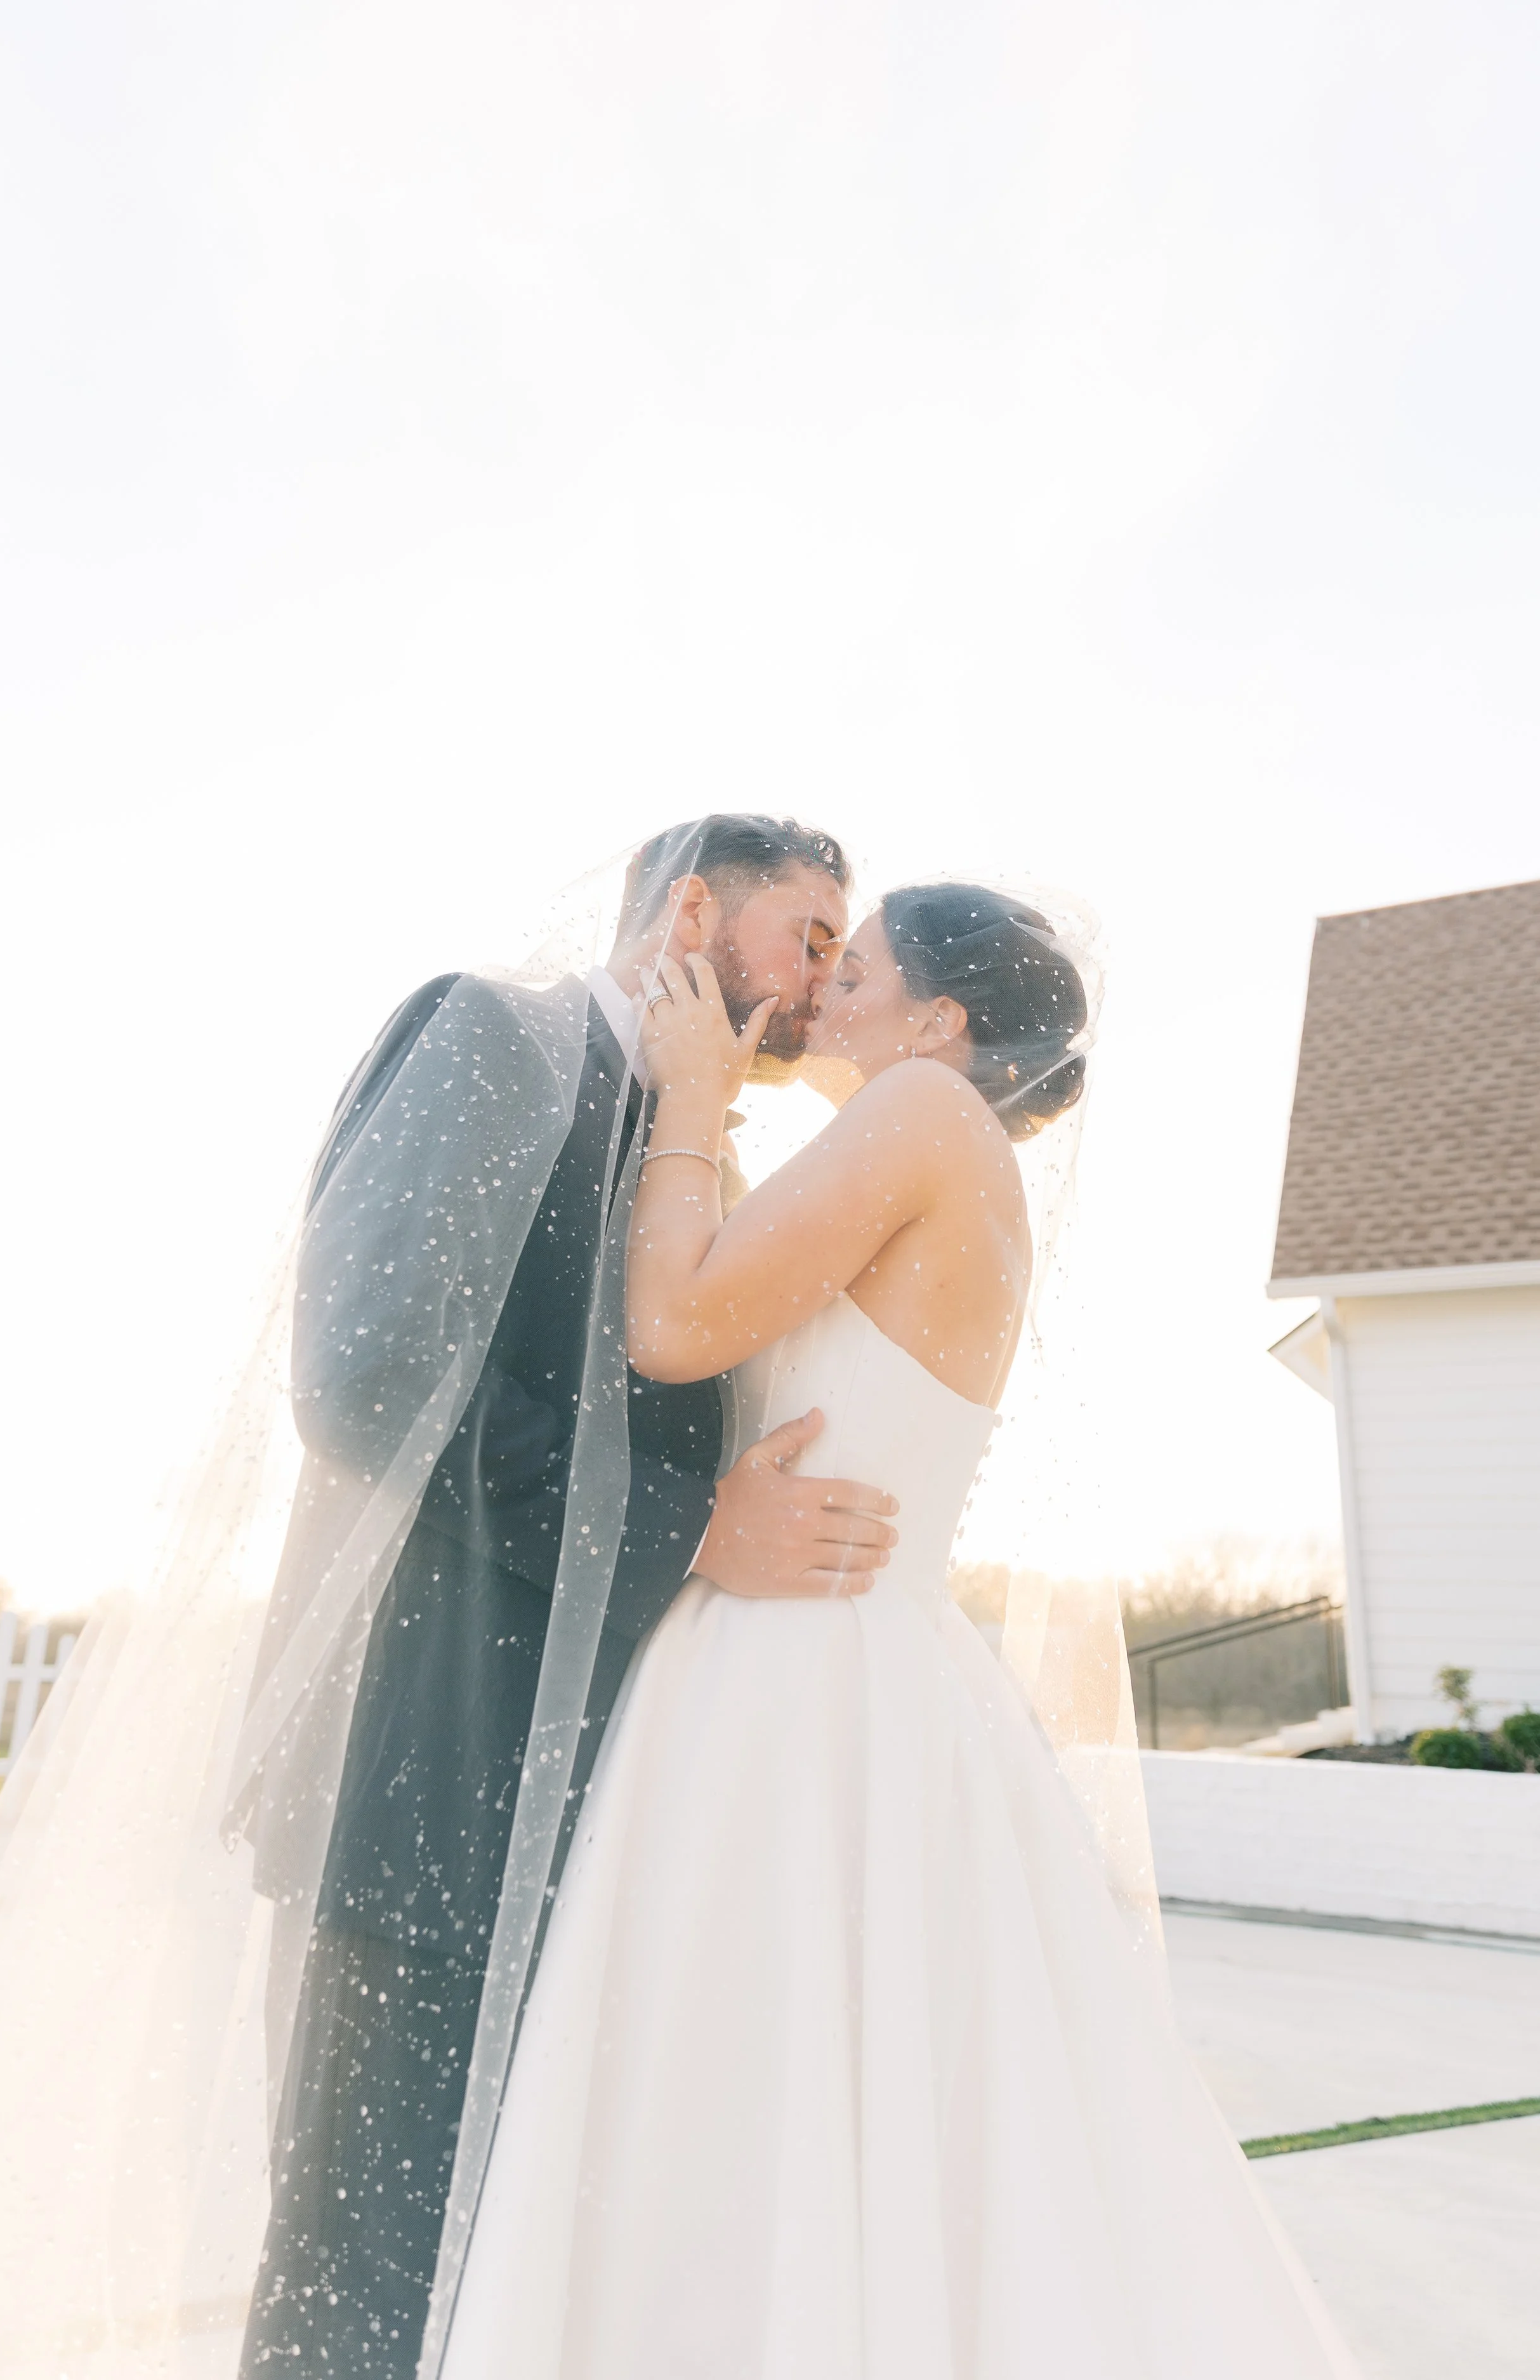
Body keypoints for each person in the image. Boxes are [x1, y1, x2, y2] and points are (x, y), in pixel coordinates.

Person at [440, 885, 1358, 2379]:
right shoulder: (935, 1144)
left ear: (934, 1022)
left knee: (741, 2080)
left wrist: (685, 1093)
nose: (824, 991)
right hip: (852, 1660)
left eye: (851, 967)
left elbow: (673, 1329)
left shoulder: (922, 1114)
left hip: (794, 1674)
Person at [240, 817, 903, 2378]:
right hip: (434, 1773)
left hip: (614, 1793)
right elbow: (369, 1375)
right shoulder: (491, 1033)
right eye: (808, 936)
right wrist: (692, 1535)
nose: (822, 981)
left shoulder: (698, 1141)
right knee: (372, 2266)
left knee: (522, 2272)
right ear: (689, 908)